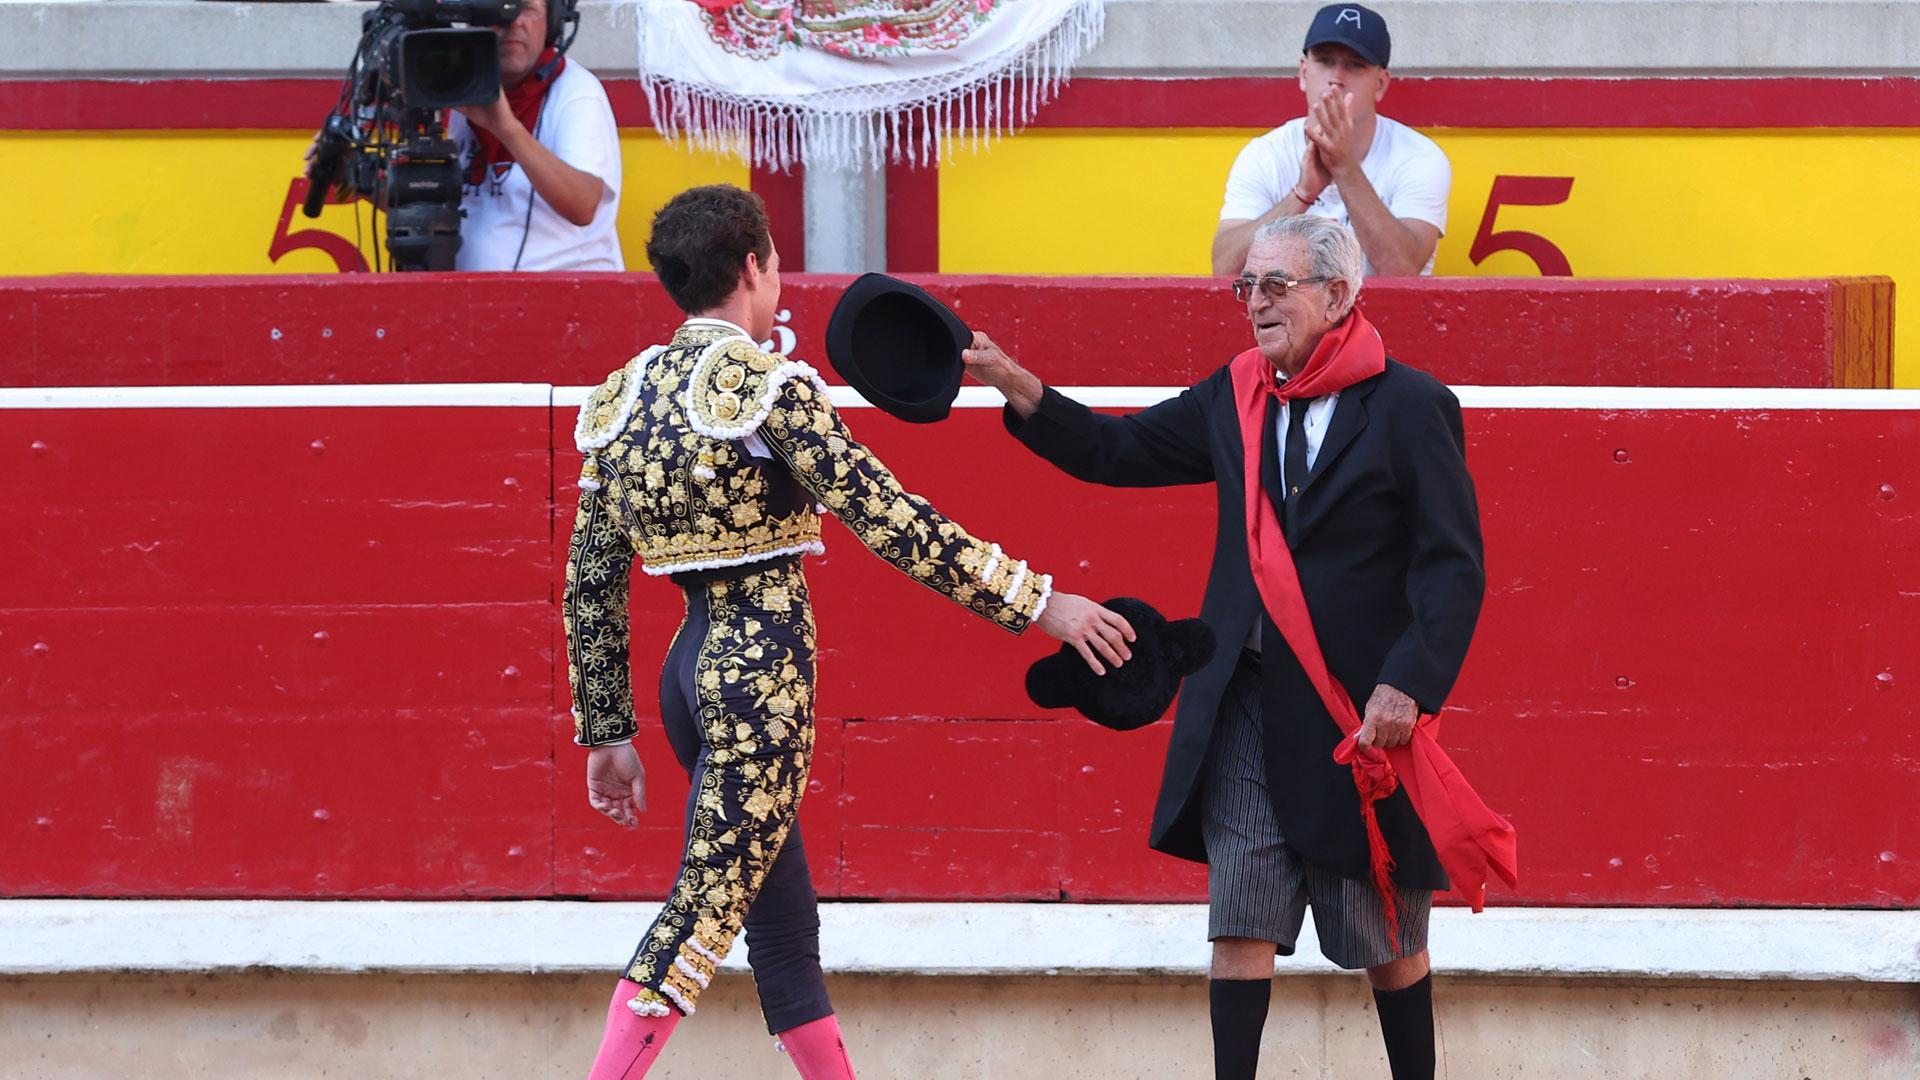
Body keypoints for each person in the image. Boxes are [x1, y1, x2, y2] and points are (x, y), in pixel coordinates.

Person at [564, 183, 1135, 1080]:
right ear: (751, 266)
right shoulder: (766, 389)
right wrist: (1041, 605)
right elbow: (893, 521)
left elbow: (589, 581)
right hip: (759, 678)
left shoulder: (621, 399)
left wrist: (608, 731)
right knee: (702, 916)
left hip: (687, 670)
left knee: (782, 931)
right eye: (776, 266)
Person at [966, 215, 1490, 1080]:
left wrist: (1410, 685)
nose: (1255, 304)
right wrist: (1010, 380)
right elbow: (1113, 449)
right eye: (1247, 286)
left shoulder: (1408, 406)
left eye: (1277, 286)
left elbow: (1452, 566)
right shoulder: (1237, 394)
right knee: (1240, 918)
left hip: (1351, 712)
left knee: (1385, 934)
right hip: (1244, 701)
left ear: (1340, 293)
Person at [1210, 3, 1450, 278]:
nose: (1336, 78)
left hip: (1382, 321)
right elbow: (1224, 270)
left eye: (1355, 65)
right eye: (1325, 61)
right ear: (1303, 73)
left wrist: (1343, 167)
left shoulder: (1419, 157)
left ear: (1381, 84)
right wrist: (1302, 194)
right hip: (1291, 319)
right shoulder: (1265, 154)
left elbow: (1402, 270)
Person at [445, 0, 623, 270]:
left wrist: (507, 128)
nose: (514, 21)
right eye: (499, 7)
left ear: (551, 23)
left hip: (568, 302)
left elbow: (583, 205)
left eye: (526, 7)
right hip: (475, 302)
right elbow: (451, 204)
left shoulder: (576, 90)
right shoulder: (461, 88)